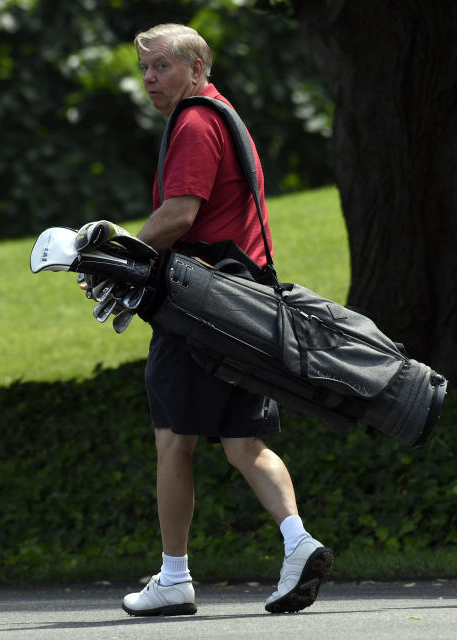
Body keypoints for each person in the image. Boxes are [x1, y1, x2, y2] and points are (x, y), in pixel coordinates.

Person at [119, 23, 334, 616]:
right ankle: (299, 543)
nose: (149, 79)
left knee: (173, 440)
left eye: (161, 67)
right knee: (243, 440)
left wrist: (123, 251)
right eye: (144, 69)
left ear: (196, 68)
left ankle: (173, 577)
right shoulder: (224, 115)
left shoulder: (192, 122)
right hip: (247, 301)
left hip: (202, 305)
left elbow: (180, 214)